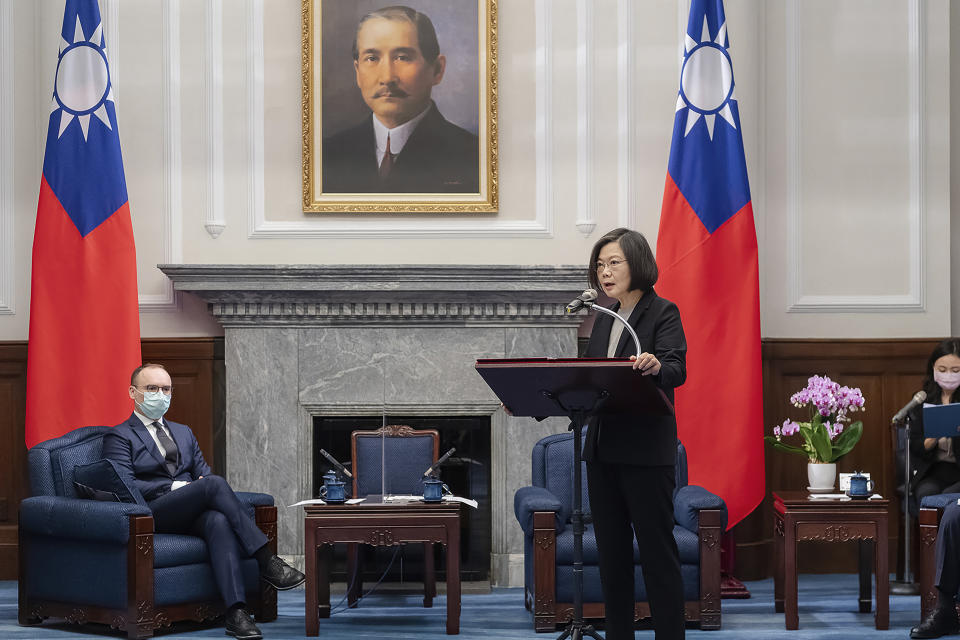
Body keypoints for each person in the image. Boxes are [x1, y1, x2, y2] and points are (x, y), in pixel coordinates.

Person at [102, 363, 305, 640]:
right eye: (152, 389)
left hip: (192, 511)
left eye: (166, 389)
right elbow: (126, 485)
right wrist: (176, 486)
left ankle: (236, 613)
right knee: (214, 484)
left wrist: (195, 488)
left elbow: (204, 475)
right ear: (133, 392)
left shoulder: (183, 432)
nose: (160, 395)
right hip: (152, 513)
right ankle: (266, 560)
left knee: (218, 520)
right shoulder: (119, 435)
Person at [581, 228, 687, 640]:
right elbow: (589, 384)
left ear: (637, 264)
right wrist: (531, 397)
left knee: (658, 556)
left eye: (614, 263)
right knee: (612, 558)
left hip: (645, 453)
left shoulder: (663, 312)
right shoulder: (603, 317)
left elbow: (677, 368)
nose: (604, 273)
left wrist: (656, 365)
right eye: (600, 265)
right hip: (603, 453)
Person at [321, 5, 479, 193]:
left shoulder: (473, 156)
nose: (387, 78)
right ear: (357, 72)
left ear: (437, 70)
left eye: (402, 57)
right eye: (372, 58)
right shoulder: (326, 155)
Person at [909, 339, 960, 504]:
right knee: (927, 494)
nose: (948, 375)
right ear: (933, 369)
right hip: (934, 470)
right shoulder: (923, 399)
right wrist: (933, 438)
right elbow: (915, 445)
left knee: (949, 497)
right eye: (942, 370)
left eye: (956, 370)